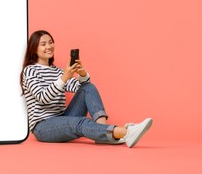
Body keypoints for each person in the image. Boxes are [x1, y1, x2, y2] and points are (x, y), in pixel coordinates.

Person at [20, 30, 152, 148]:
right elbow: (43, 98)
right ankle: (125, 132)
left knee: (88, 87)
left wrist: (82, 74)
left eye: (51, 42)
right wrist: (64, 77)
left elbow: (80, 87)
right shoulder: (30, 71)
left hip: (62, 118)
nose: (48, 47)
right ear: (34, 48)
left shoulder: (57, 71)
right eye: (43, 44)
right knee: (81, 122)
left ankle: (104, 135)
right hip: (43, 126)